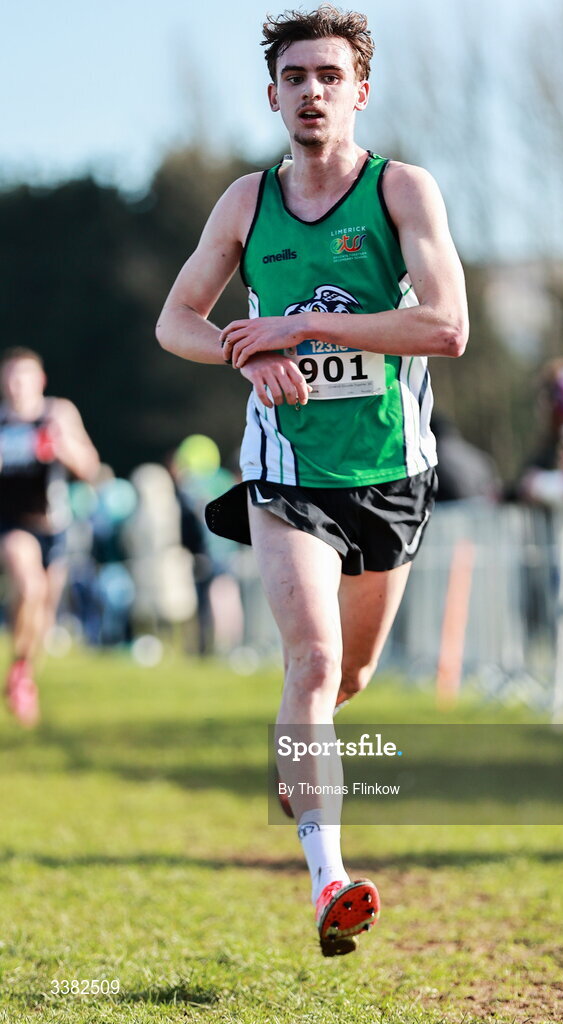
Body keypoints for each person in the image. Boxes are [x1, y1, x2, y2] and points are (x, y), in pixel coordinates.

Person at [156, 3, 468, 956]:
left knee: (351, 678)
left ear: (359, 91)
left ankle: (299, 761)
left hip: (388, 470)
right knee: (315, 663)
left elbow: (446, 328)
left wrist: (304, 327)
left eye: (329, 76)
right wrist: (241, 357)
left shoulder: (402, 190)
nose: (311, 92)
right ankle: (329, 879)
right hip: (284, 473)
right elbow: (176, 320)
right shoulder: (244, 204)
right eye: (295, 78)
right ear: (273, 94)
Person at [0, 348, 100, 725]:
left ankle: (22, 672)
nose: (16, 385)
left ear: (39, 381)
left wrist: (62, 447)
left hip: (53, 526)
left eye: (23, 376)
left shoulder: (57, 413)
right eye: (9, 376)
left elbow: (90, 468)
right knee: (29, 588)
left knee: (42, 612)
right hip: (11, 524)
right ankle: (21, 675)